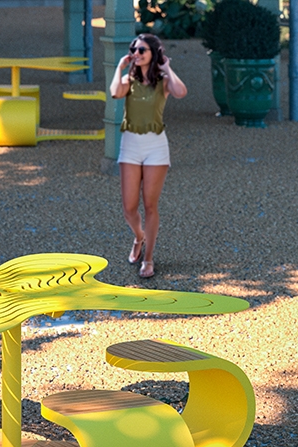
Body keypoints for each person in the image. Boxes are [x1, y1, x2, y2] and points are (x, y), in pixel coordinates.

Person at [109, 33, 187, 278]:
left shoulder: (164, 81)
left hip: (156, 147)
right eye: (134, 49)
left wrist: (167, 68)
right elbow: (114, 93)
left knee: (151, 205)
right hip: (130, 145)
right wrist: (119, 68)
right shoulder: (128, 79)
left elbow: (181, 92)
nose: (137, 53)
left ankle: (149, 259)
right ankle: (138, 237)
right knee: (129, 207)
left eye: (142, 50)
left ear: (153, 53)